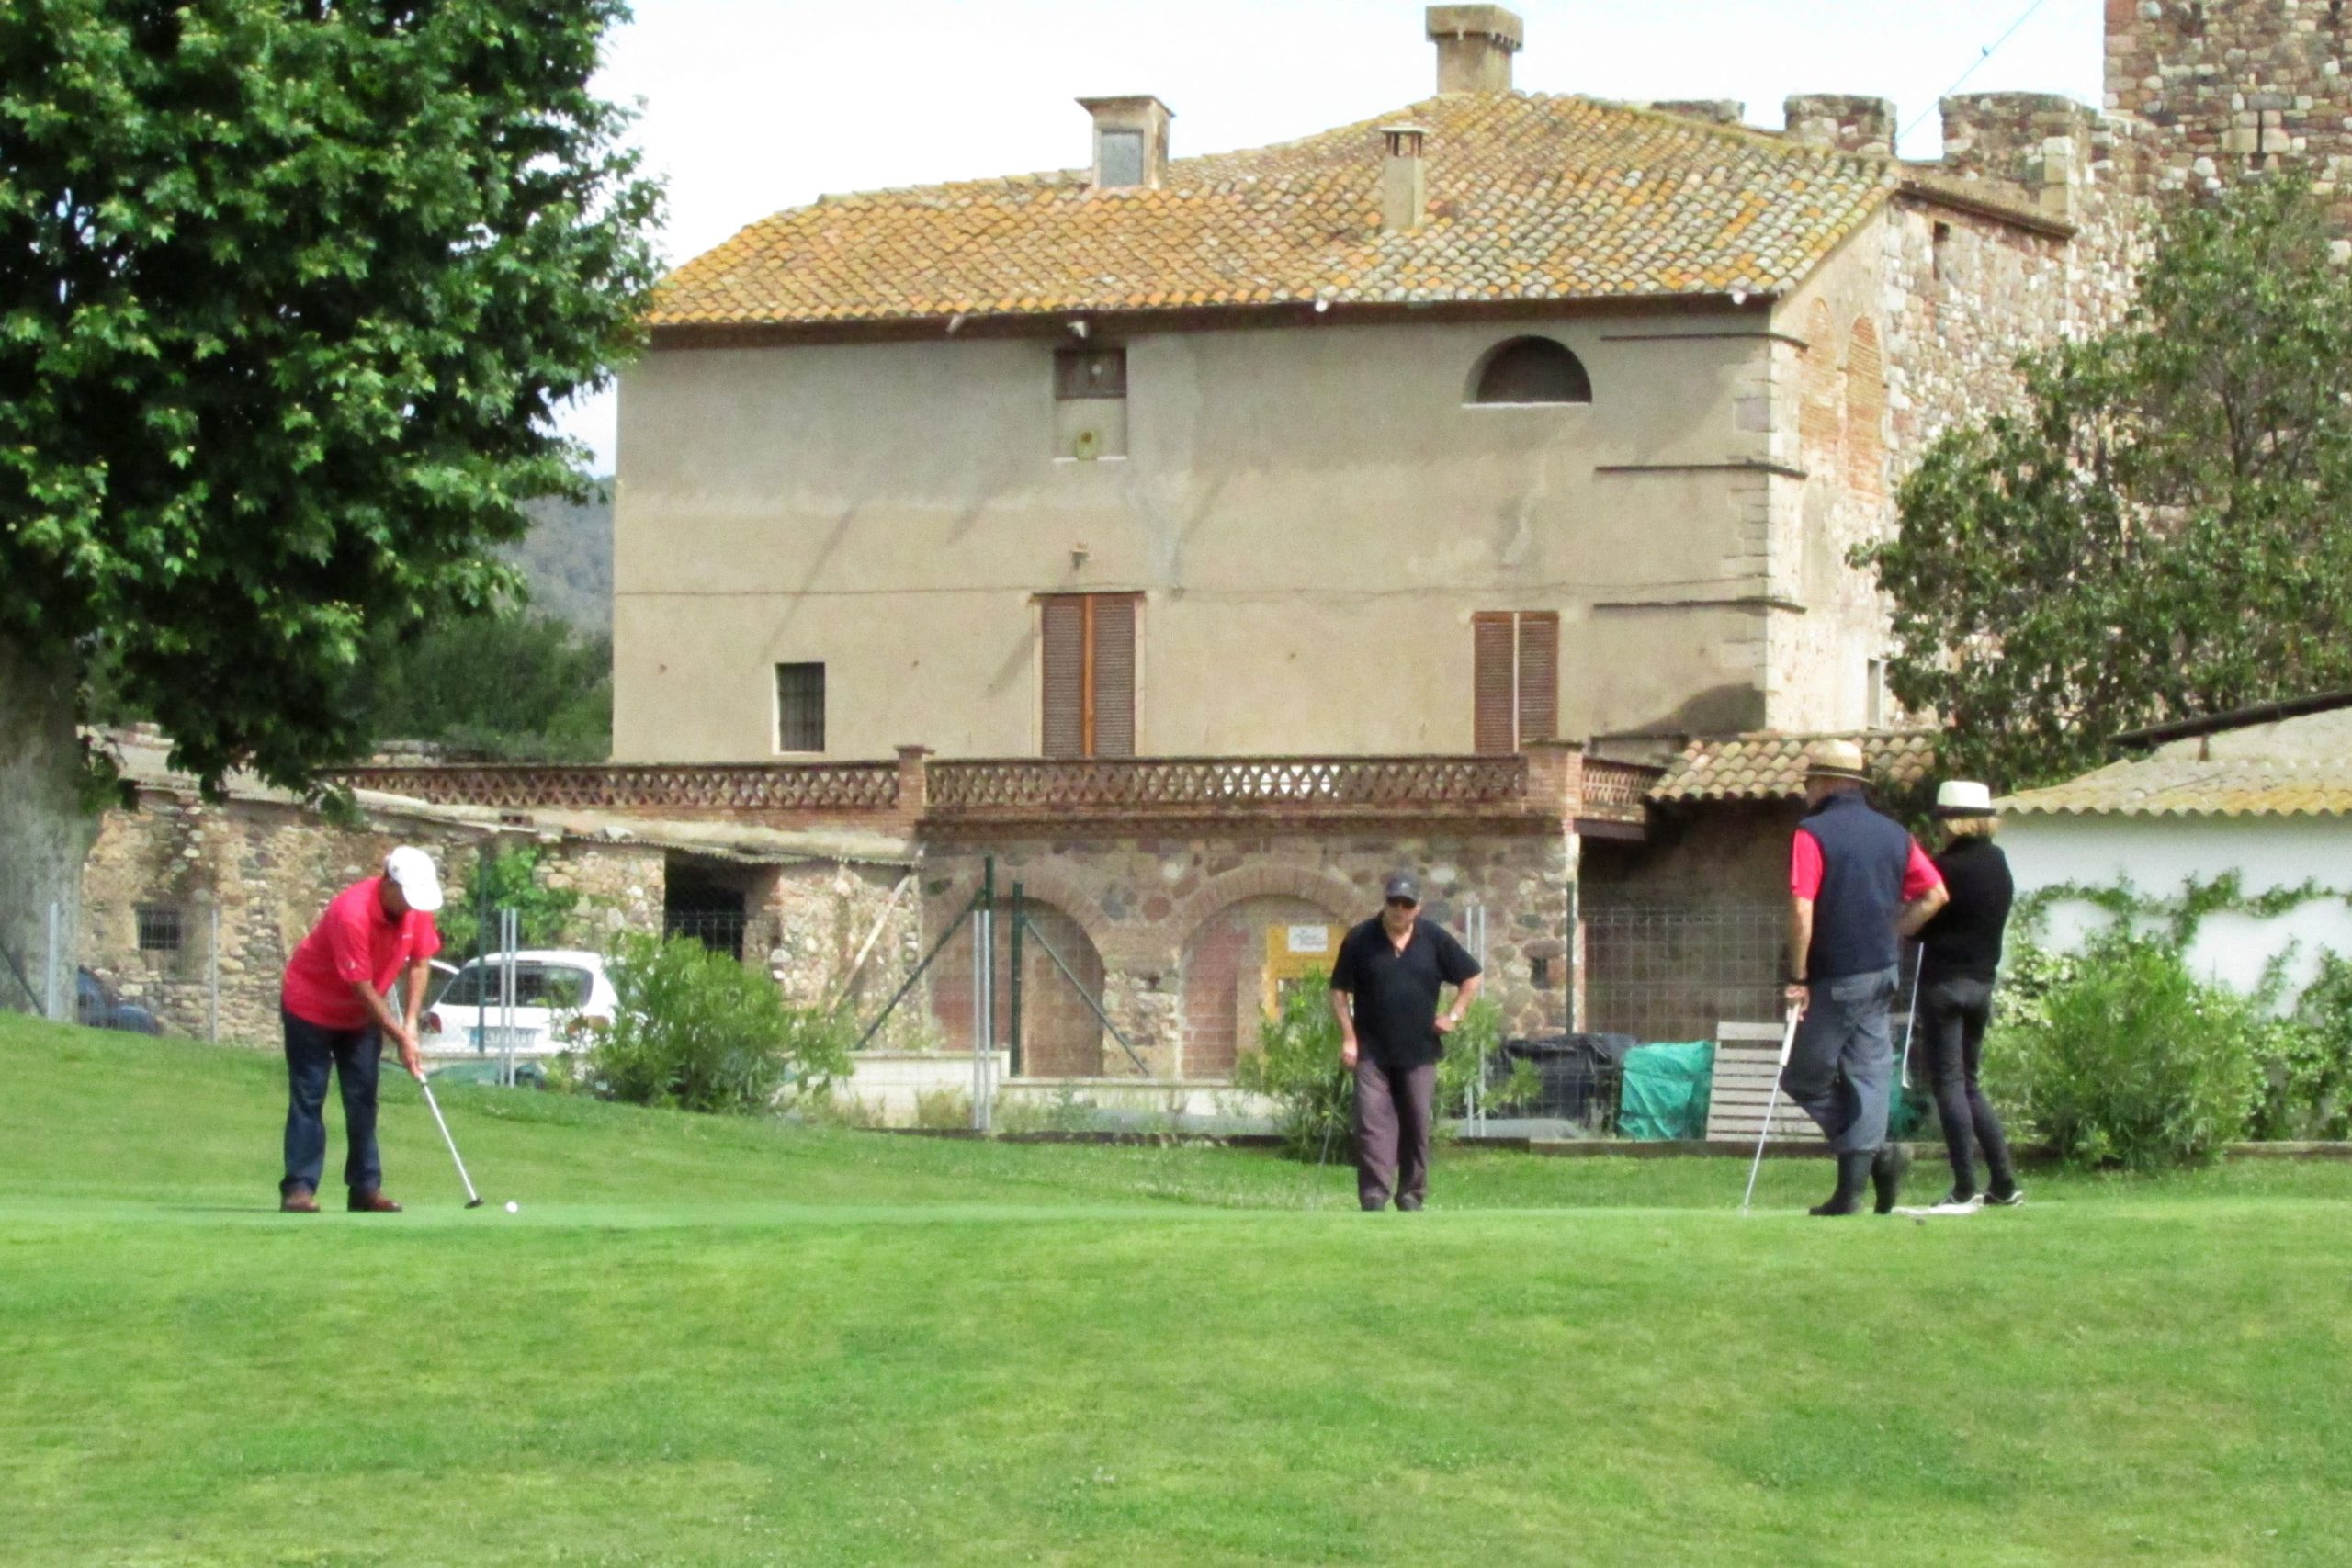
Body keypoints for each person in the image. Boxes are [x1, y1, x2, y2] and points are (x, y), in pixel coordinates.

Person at [1781, 740, 1948, 1216]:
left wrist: (1798, 976)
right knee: (1868, 1075)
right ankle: (1859, 1181)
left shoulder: (1812, 833)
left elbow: (1802, 907)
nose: (1807, 790)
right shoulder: (1895, 834)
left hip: (1836, 975)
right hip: (1883, 970)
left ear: (1827, 783)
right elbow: (1935, 894)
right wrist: (1894, 931)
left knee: (1804, 1076)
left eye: (1810, 781)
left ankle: (1867, 1164)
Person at [277, 846, 445, 1213]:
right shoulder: (351, 912)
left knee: (363, 1098)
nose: (412, 906)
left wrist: (411, 1024)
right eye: (407, 897)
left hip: (360, 1017)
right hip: (310, 1006)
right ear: (388, 883)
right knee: (309, 1095)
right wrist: (398, 1035)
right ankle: (299, 1188)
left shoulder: (415, 911)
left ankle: (365, 1189)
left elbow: (420, 963)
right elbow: (361, 986)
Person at [1329, 872, 1483, 1212]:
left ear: (1418, 907)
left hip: (1419, 1051)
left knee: (1417, 1124)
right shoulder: (1360, 938)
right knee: (1372, 1125)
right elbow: (1338, 991)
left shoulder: (1434, 939)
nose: (1399, 909)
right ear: (1384, 902)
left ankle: (1412, 1195)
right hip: (1371, 1050)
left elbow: (1471, 976)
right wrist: (1349, 1038)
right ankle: (1374, 1195)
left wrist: (1454, 1016)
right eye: (1393, 902)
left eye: (1407, 904)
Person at [1912, 781, 2024, 1212]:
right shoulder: (1999, 863)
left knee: (1949, 1084)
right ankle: (2004, 1183)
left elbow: (1922, 925)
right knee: (1971, 1083)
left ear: (1950, 821)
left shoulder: (1945, 868)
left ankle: (1964, 1186)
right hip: (1982, 983)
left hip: (1944, 983)